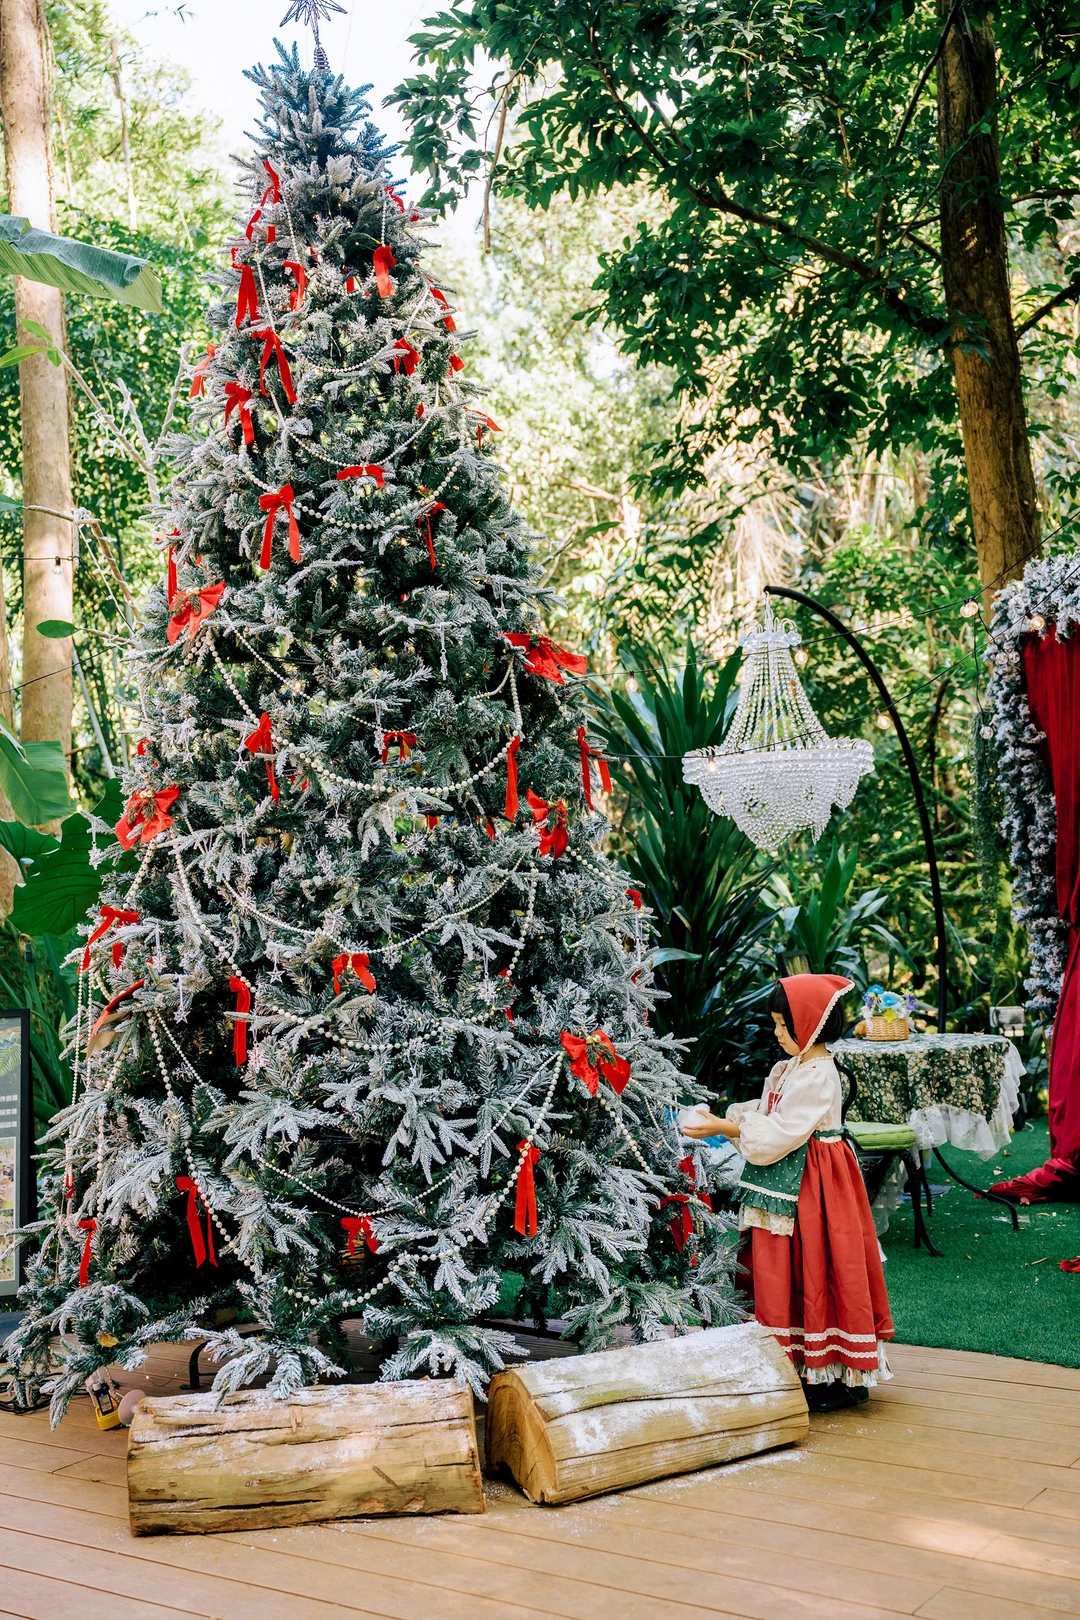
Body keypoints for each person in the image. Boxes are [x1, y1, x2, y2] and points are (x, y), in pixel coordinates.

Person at [682, 973, 894, 1411]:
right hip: (786, 1181)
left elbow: (782, 1132)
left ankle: (833, 1374)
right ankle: (798, 1364)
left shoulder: (819, 1075)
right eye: (777, 1024)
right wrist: (727, 1120)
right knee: (789, 1267)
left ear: (811, 1024)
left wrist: (726, 1128)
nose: (777, 1033)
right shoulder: (788, 1068)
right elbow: (766, 1113)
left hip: (817, 1185)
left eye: (784, 1025)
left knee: (820, 1264)